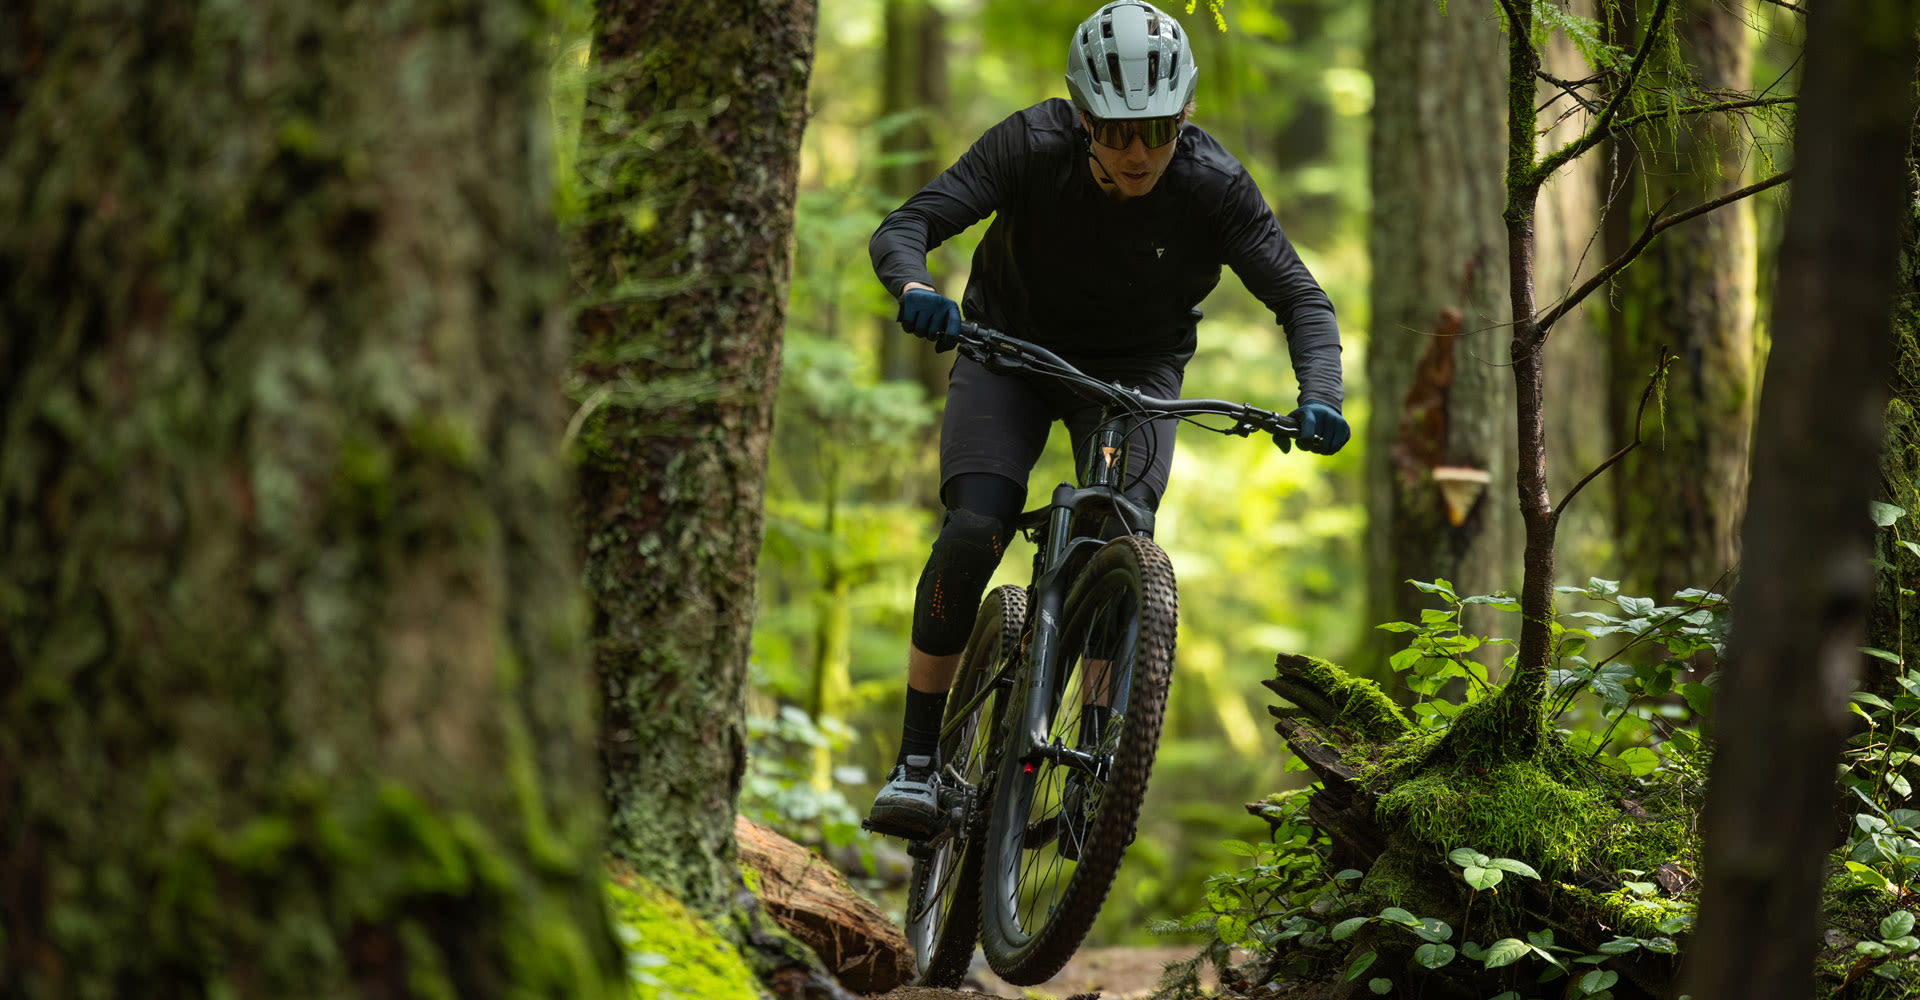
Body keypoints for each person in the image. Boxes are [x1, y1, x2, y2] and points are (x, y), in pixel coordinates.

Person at [863, 0, 1350, 839]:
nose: (1137, 153)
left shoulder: (1212, 184)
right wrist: (916, 289)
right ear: (1082, 118)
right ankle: (914, 763)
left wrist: (1322, 396)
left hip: (1132, 375)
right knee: (974, 526)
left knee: (1119, 536)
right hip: (1005, 351)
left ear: (1184, 115)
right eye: (1117, 131)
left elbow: (1301, 299)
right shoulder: (1029, 145)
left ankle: (1093, 771)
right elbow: (910, 224)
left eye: (1157, 131)